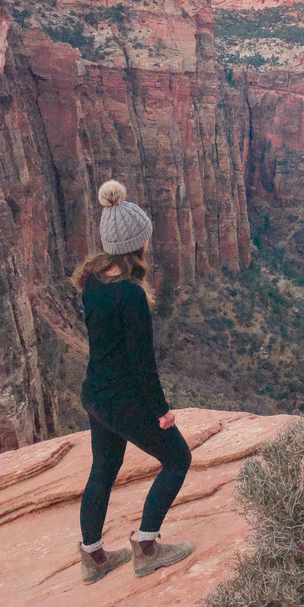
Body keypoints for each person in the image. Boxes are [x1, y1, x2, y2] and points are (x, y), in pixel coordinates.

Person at [71, 179, 192, 584]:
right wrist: (161, 412)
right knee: (177, 458)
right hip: (122, 398)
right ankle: (146, 545)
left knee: (104, 468)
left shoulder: (91, 283)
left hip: (95, 394)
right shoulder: (130, 295)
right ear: (137, 246)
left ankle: (93, 556)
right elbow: (142, 365)